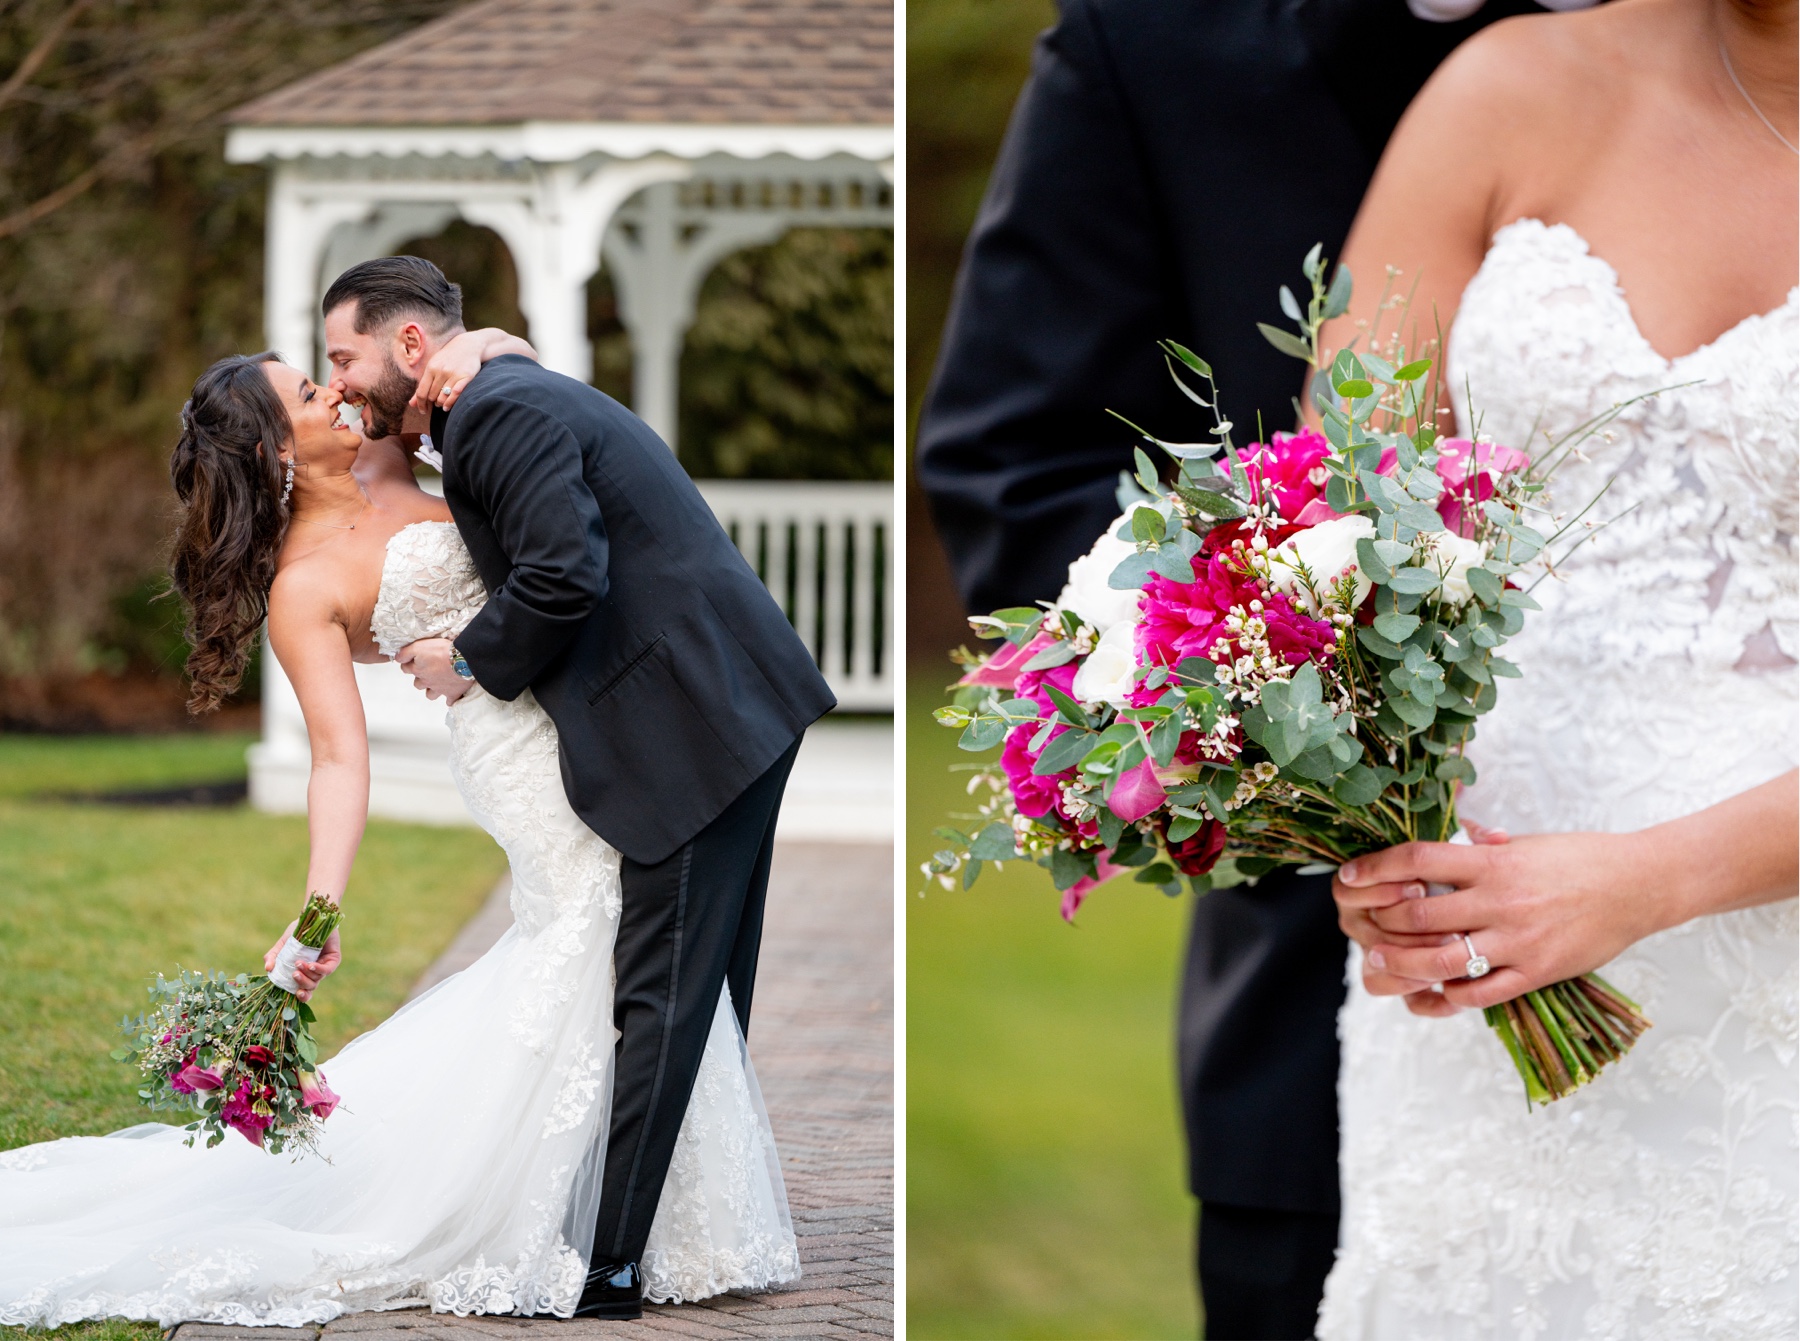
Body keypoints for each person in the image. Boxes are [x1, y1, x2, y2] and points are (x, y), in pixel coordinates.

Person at [0, 260, 831, 1319]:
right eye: (311, 391)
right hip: (519, 752)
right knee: (596, 942)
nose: (336, 393)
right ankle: (597, 1228)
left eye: (333, 369)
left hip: (589, 714)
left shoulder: (401, 450)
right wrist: (318, 909)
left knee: (633, 959)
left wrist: (486, 342)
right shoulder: (306, 588)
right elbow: (339, 759)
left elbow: (480, 396)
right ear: (270, 447)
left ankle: (633, 1217)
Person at [914, 0, 1554, 1333]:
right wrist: (1263, 704)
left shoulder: (1726, 43)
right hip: (1318, 992)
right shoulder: (1147, 40)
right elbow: (1017, 461)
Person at [1312, 0, 1798, 1334]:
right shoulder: (1508, 88)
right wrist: (1368, 809)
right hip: (1471, 949)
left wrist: (1646, 880)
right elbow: (1326, 527)